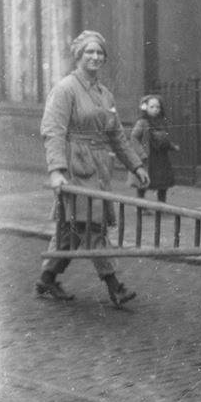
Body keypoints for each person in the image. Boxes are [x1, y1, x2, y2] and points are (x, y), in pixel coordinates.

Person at [37, 30, 150, 307]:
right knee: (92, 227)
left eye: (100, 53)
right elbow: (53, 130)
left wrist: (135, 165)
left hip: (99, 169)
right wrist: (56, 170)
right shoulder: (65, 89)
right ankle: (115, 286)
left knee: (70, 230)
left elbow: (117, 137)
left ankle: (47, 279)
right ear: (78, 55)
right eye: (89, 51)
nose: (95, 57)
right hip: (75, 166)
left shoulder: (105, 94)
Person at [128, 94, 179, 206]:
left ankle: (162, 205)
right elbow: (134, 137)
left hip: (160, 157)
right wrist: (141, 153)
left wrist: (172, 146)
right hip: (147, 158)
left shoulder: (162, 122)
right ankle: (141, 206)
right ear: (145, 108)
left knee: (163, 183)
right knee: (143, 182)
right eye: (152, 107)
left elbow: (164, 139)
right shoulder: (142, 122)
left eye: (158, 107)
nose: (155, 109)